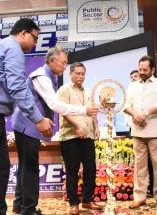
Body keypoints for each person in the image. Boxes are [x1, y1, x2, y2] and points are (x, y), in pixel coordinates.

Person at [12, 48, 98, 215]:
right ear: (51, 61)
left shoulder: (49, 76)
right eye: (63, 62)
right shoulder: (41, 76)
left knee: (24, 166)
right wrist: (83, 110)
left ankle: (19, 204)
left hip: (27, 126)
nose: (65, 66)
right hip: (27, 126)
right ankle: (28, 209)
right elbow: (54, 105)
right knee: (30, 168)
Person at [0, 18, 54, 215]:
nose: (34, 43)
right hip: (23, 125)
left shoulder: (3, 46)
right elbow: (16, 86)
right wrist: (38, 119)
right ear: (23, 33)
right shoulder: (13, 48)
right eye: (34, 38)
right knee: (2, 169)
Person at [57, 62, 103, 215]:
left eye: (82, 73)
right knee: (72, 171)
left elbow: (93, 111)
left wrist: (96, 127)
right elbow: (63, 111)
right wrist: (77, 126)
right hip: (70, 136)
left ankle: (88, 200)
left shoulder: (89, 91)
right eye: (77, 73)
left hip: (88, 135)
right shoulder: (64, 90)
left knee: (90, 169)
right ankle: (73, 203)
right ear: (70, 73)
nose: (80, 76)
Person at [124, 55, 157, 209]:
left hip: (156, 130)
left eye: (145, 70)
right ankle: (139, 196)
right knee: (139, 166)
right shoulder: (132, 86)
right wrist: (136, 115)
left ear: (152, 69)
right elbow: (126, 104)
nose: (141, 72)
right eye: (140, 69)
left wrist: (144, 113)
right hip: (138, 131)